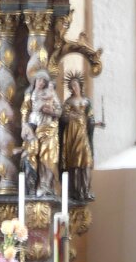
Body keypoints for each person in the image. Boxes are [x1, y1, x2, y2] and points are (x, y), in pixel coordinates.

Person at [20, 69, 62, 197]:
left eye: (44, 81)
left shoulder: (50, 94)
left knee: (48, 157)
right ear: (35, 81)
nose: (41, 83)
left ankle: (46, 185)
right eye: (39, 80)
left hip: (49, 128)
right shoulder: (29, 95)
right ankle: (35, 186)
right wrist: (24, 126)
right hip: (34, 130)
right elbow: (24, 111)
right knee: (34, 157)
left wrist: (51, 112)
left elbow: (59, 111)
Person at [60, 73, 95, 202]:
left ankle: (85, 189)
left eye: (75, 85)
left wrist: (93, 123)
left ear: (80, 85)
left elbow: (90, 117)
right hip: (72, 133)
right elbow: (63, 118)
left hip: (83, 133)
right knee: (74, 161)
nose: (74, 87)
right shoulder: (68, 102)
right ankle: (75, 191)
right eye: (71, 86)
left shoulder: (86, 101)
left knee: (86, 161)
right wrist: (71, 117)